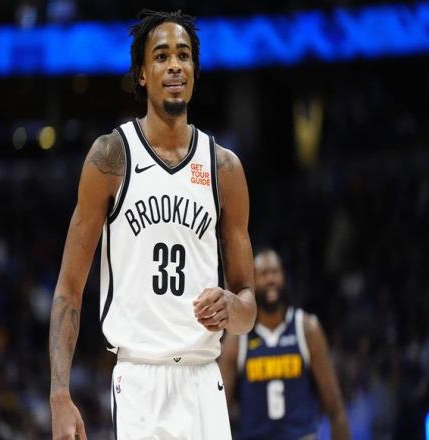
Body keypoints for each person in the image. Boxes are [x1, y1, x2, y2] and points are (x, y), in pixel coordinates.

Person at [49, 10, 256, 440]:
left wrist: (232, 308)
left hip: (204, 378)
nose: (175, 65)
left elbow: (248, 306)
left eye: (184, 55)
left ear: (195, 71)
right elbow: (69, 288)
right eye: (162, 56)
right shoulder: (111, 158)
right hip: (140, 380)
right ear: (142, 74)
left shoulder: (225, 169)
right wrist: (59, 395)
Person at [219, 249, 350, 440]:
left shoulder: (307, 329)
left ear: (284, 278)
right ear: (252, 283)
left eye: (275, 272)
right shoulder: (238, 338)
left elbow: (335, 408)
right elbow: (220, 408)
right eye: (264, 274)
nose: (270, 279)